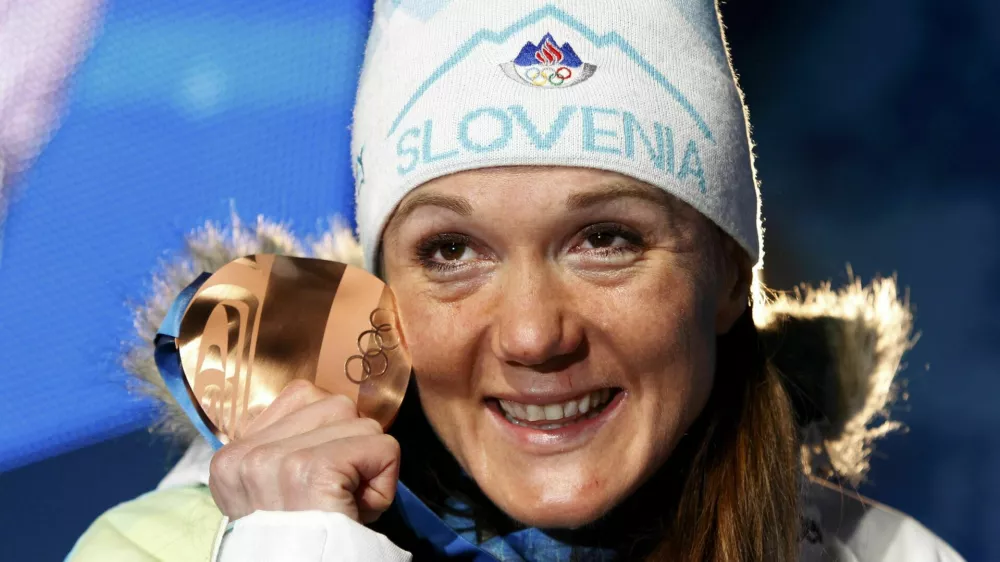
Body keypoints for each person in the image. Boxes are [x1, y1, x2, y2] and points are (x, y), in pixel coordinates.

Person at [69, 1, 965, 560]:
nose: (535, 336)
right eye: (452, 252)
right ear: (381, 290)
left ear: (729, 276)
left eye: (605, 238)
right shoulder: (166, 552)